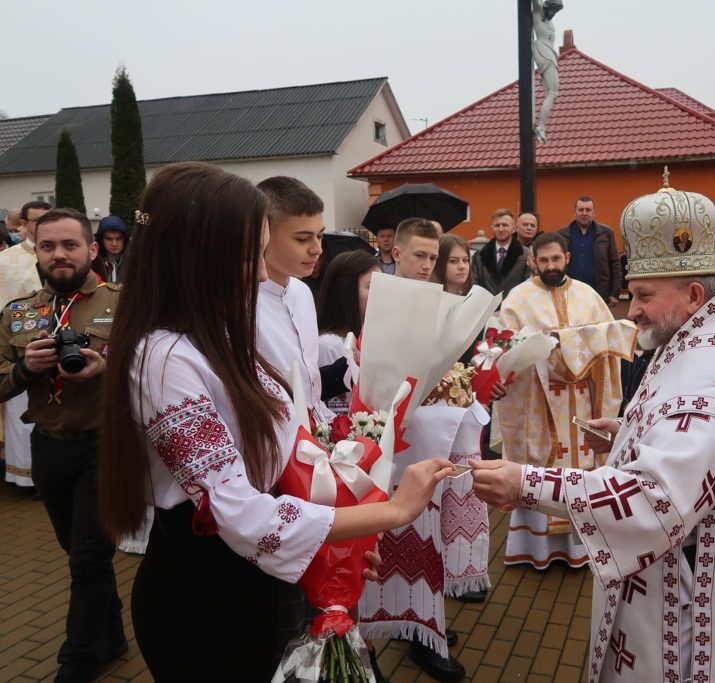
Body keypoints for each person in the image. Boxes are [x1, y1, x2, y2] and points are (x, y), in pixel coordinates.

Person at [97, 162, 452, 681]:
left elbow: (284, 445)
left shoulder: (218, 334)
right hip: (205, 595)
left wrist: (334, 537)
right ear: (198, 254)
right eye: (249, 255)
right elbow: (236, 511)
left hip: (254, 579)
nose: (264, 274)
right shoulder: (167, 358)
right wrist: (393, 512)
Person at [472, 181, 715, 682]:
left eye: (644, 295)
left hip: (684, 602)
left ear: (691, 294)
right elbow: (690, 440)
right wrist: (627, 431)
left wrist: (527, 483)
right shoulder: (700, 339)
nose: (632, 310)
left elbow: (657, 498)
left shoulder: (713, 372)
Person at [0, 208, 126, 681]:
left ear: (92, 250)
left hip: (105, 447)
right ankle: (110, 634)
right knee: (78, 554)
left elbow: (158, 369)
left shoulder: (127, 301)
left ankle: (75, 664)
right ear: (37, 250)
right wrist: (24, 370)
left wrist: (108, 368)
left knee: (90, 558)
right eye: (48, 246)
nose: (58, 255)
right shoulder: (18, 314)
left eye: (70, 245)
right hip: (48, 449)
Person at [360, 215, 473, 681]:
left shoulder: (441, 301)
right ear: (397, 253)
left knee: (426, 542)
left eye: (434, 257)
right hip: (382, 446)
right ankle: (365, 644)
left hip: (426, 441)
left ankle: (421, 627)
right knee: (377, 546)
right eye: (420, 256)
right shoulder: (377, 299)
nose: (428, 265)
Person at [493, 232, 635, 570]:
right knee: (541, 467)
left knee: (582, 471)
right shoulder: (518, 299)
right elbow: (502, 351)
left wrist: (569, 342)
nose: (551, 266)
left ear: (567, 258)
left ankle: (581, 549)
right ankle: (536, 550)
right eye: (544, 260)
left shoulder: (587, 295)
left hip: (582, 403)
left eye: (556, 259)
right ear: (533, 261)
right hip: (537, 404)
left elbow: (611, 344)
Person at [254, 176, 332, 422]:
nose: (317, 248)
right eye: (302, 239)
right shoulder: (241, 304)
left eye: (320, 236)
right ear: (263, 235)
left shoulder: (302, 291)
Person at [0, 200, 50, 491]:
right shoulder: (6, 261)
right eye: (37, 220)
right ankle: (24, 478)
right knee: (20, 417)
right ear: (24, 224)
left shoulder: (60, 252)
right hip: (18, 349)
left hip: (56, 347)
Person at [316, 251, 379, 415]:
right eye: (371, 286)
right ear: (347, 291)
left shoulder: (368, 337)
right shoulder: (329, 343)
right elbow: (336, 402)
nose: (380, 293)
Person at [558, 196, 622, 307]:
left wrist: (614, 293)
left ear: (594, 213)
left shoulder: (606, 234)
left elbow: (615, 264)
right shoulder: (562, 234)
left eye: (588, 210)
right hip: (569, 295)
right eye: (580, 210)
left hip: (599, 295)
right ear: (574, 212)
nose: (584, 213)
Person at [470, 208, 529, 298]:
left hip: (514, 309)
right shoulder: (479, 256)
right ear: (492, 227)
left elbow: (527, 287)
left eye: (505, 225)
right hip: (487, 309)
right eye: (497, 225)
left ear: (514, 229)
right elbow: (475, 286)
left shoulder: (526, 255)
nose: (500, 229)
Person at [531, 0, 561, 143]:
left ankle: (541, 126)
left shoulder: (547, 18)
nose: (553, 13)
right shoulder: (538, 12)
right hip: (544, 53)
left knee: (550, 94)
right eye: (553, 10)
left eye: (556, 11)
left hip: (549, 53)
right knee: (553, 92)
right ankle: (541, 127)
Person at [95, 215, 129, 283]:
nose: (114, 244)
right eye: (109, 239)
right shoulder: (93, 264)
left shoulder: (134, 263)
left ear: (124, 240)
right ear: (101, 240)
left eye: (118, 239)